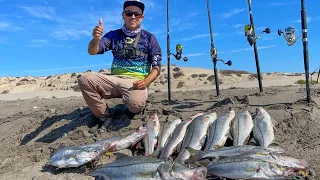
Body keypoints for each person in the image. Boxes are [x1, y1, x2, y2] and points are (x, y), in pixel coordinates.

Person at [78, 0, 162, 131]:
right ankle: (105, 116)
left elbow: (157, 67)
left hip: (135, 82)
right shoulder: (113, 35)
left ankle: (133, 107)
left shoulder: (150, 38)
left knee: (136, 104)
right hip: (113, 79)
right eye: (129, 13)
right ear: (123, 15)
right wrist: (95, 39)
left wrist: (145, 82)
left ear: (142, 17)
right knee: (85, 79)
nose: (132, 17)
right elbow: (92, 51)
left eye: (136, 14)